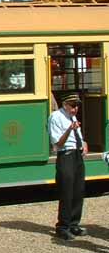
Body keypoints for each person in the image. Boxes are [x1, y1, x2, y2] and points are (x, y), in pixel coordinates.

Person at [49, 93, 88, 241]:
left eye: (77, 106)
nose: (75, 109)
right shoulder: (56, 117)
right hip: (65, 155)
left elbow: (77, 135)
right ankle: (62, 227)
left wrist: (83, 143)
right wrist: (69, 130)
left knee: (78, 190)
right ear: (65, 104)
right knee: (66, 190)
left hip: (77, 154)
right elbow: (58, 143)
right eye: (72, 105)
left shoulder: (72, 116)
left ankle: (74, 224)